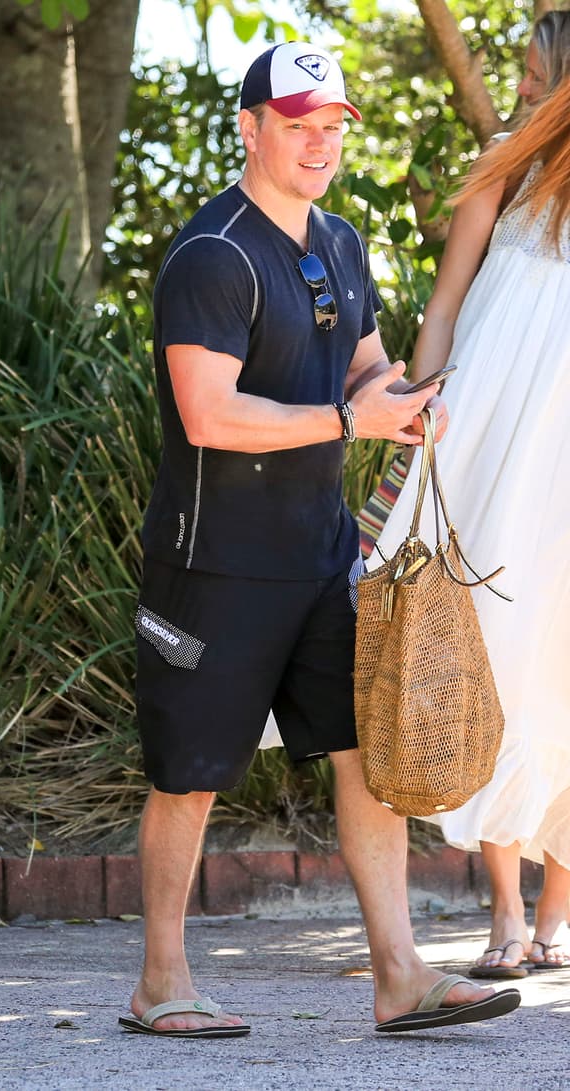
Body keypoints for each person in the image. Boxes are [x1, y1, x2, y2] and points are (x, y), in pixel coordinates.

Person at [125, 41, 521, 1037]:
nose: (318, 143)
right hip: (210, 563)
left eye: (331, 125)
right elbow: (207, 412)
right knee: (189, 773)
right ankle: (158, 983)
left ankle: (398, 974)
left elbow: (362, 371)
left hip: (321, 557)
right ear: (250, 127)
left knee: (364, 759)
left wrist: (405, 404)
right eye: (297, 124)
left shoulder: (339, 243)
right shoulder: (209, 256)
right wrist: (351, 420)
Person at [370, 10, 570, 982]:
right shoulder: (503, 163)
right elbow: (444, 302)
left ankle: (556, 913)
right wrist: (412, 422)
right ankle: (501, 910)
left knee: (561, 651)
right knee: (484, 641)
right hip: (485, 434)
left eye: (536, 76)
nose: (519, 88)